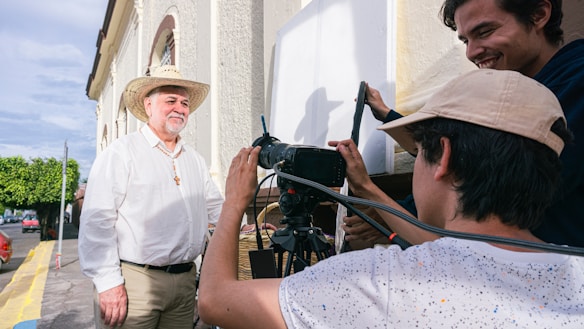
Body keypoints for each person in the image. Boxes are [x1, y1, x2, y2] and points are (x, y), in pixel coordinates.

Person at [198, 69, 584, 328]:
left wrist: (235, 202)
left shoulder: (378, 280)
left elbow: (216, 300)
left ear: (443, 156)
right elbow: (468, 255)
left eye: (419, 150)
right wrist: (365, 187)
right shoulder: (576, 271)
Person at [352, 0, 584, 248]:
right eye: (465, 40)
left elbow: (491, 178)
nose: (472, 53)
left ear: (539, 14)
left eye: (484, 32)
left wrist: (391, 206)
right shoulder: (512, 86)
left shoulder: (575, 83)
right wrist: (388, 115)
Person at [79, 65, 226, 328]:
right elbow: (97, 221)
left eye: (184, 103)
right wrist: (108, 283)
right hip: (134, 282)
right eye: (170, 101)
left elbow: (215, 208)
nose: (179, 108)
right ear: (148, 105)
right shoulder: (121, 153)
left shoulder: (194, 160)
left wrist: (246, 228)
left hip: (184, 283)